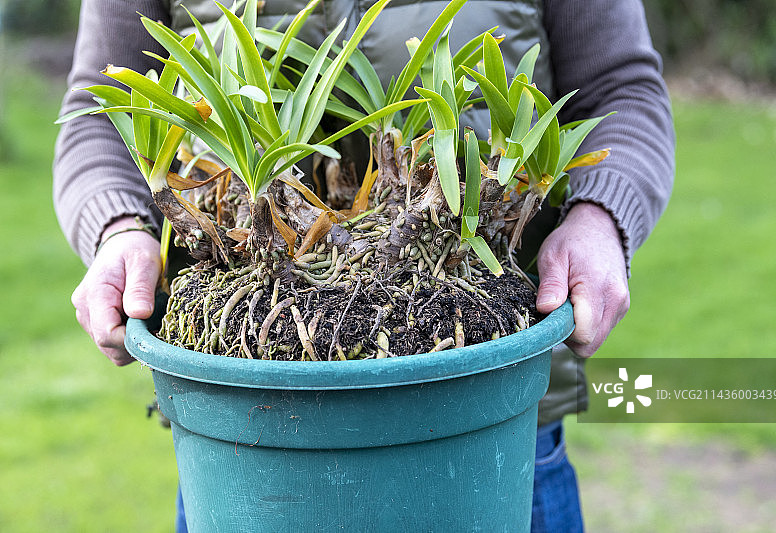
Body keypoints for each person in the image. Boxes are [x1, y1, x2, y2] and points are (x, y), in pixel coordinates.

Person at [54, 0, 674, 531]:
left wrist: (601, 218)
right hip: (247, 442)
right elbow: (102, 106)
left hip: (496, 437)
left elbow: (622, 88)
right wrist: (117, 229)